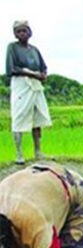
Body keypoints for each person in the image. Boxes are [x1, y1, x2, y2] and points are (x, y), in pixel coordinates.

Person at [5, 20, 51, 165]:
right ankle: (19, 153)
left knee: (37, 117)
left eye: (24, 31)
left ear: (29, 32)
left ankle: (38, 151)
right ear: (15, 34)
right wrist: (31, 74)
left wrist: (43, 75)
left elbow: (43, 66)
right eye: (18, 31)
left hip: (36, 86)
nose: (22, 34)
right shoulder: (12, 48)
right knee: (19, 117)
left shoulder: (34, 50)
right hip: (21, 85)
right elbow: (10, 70)